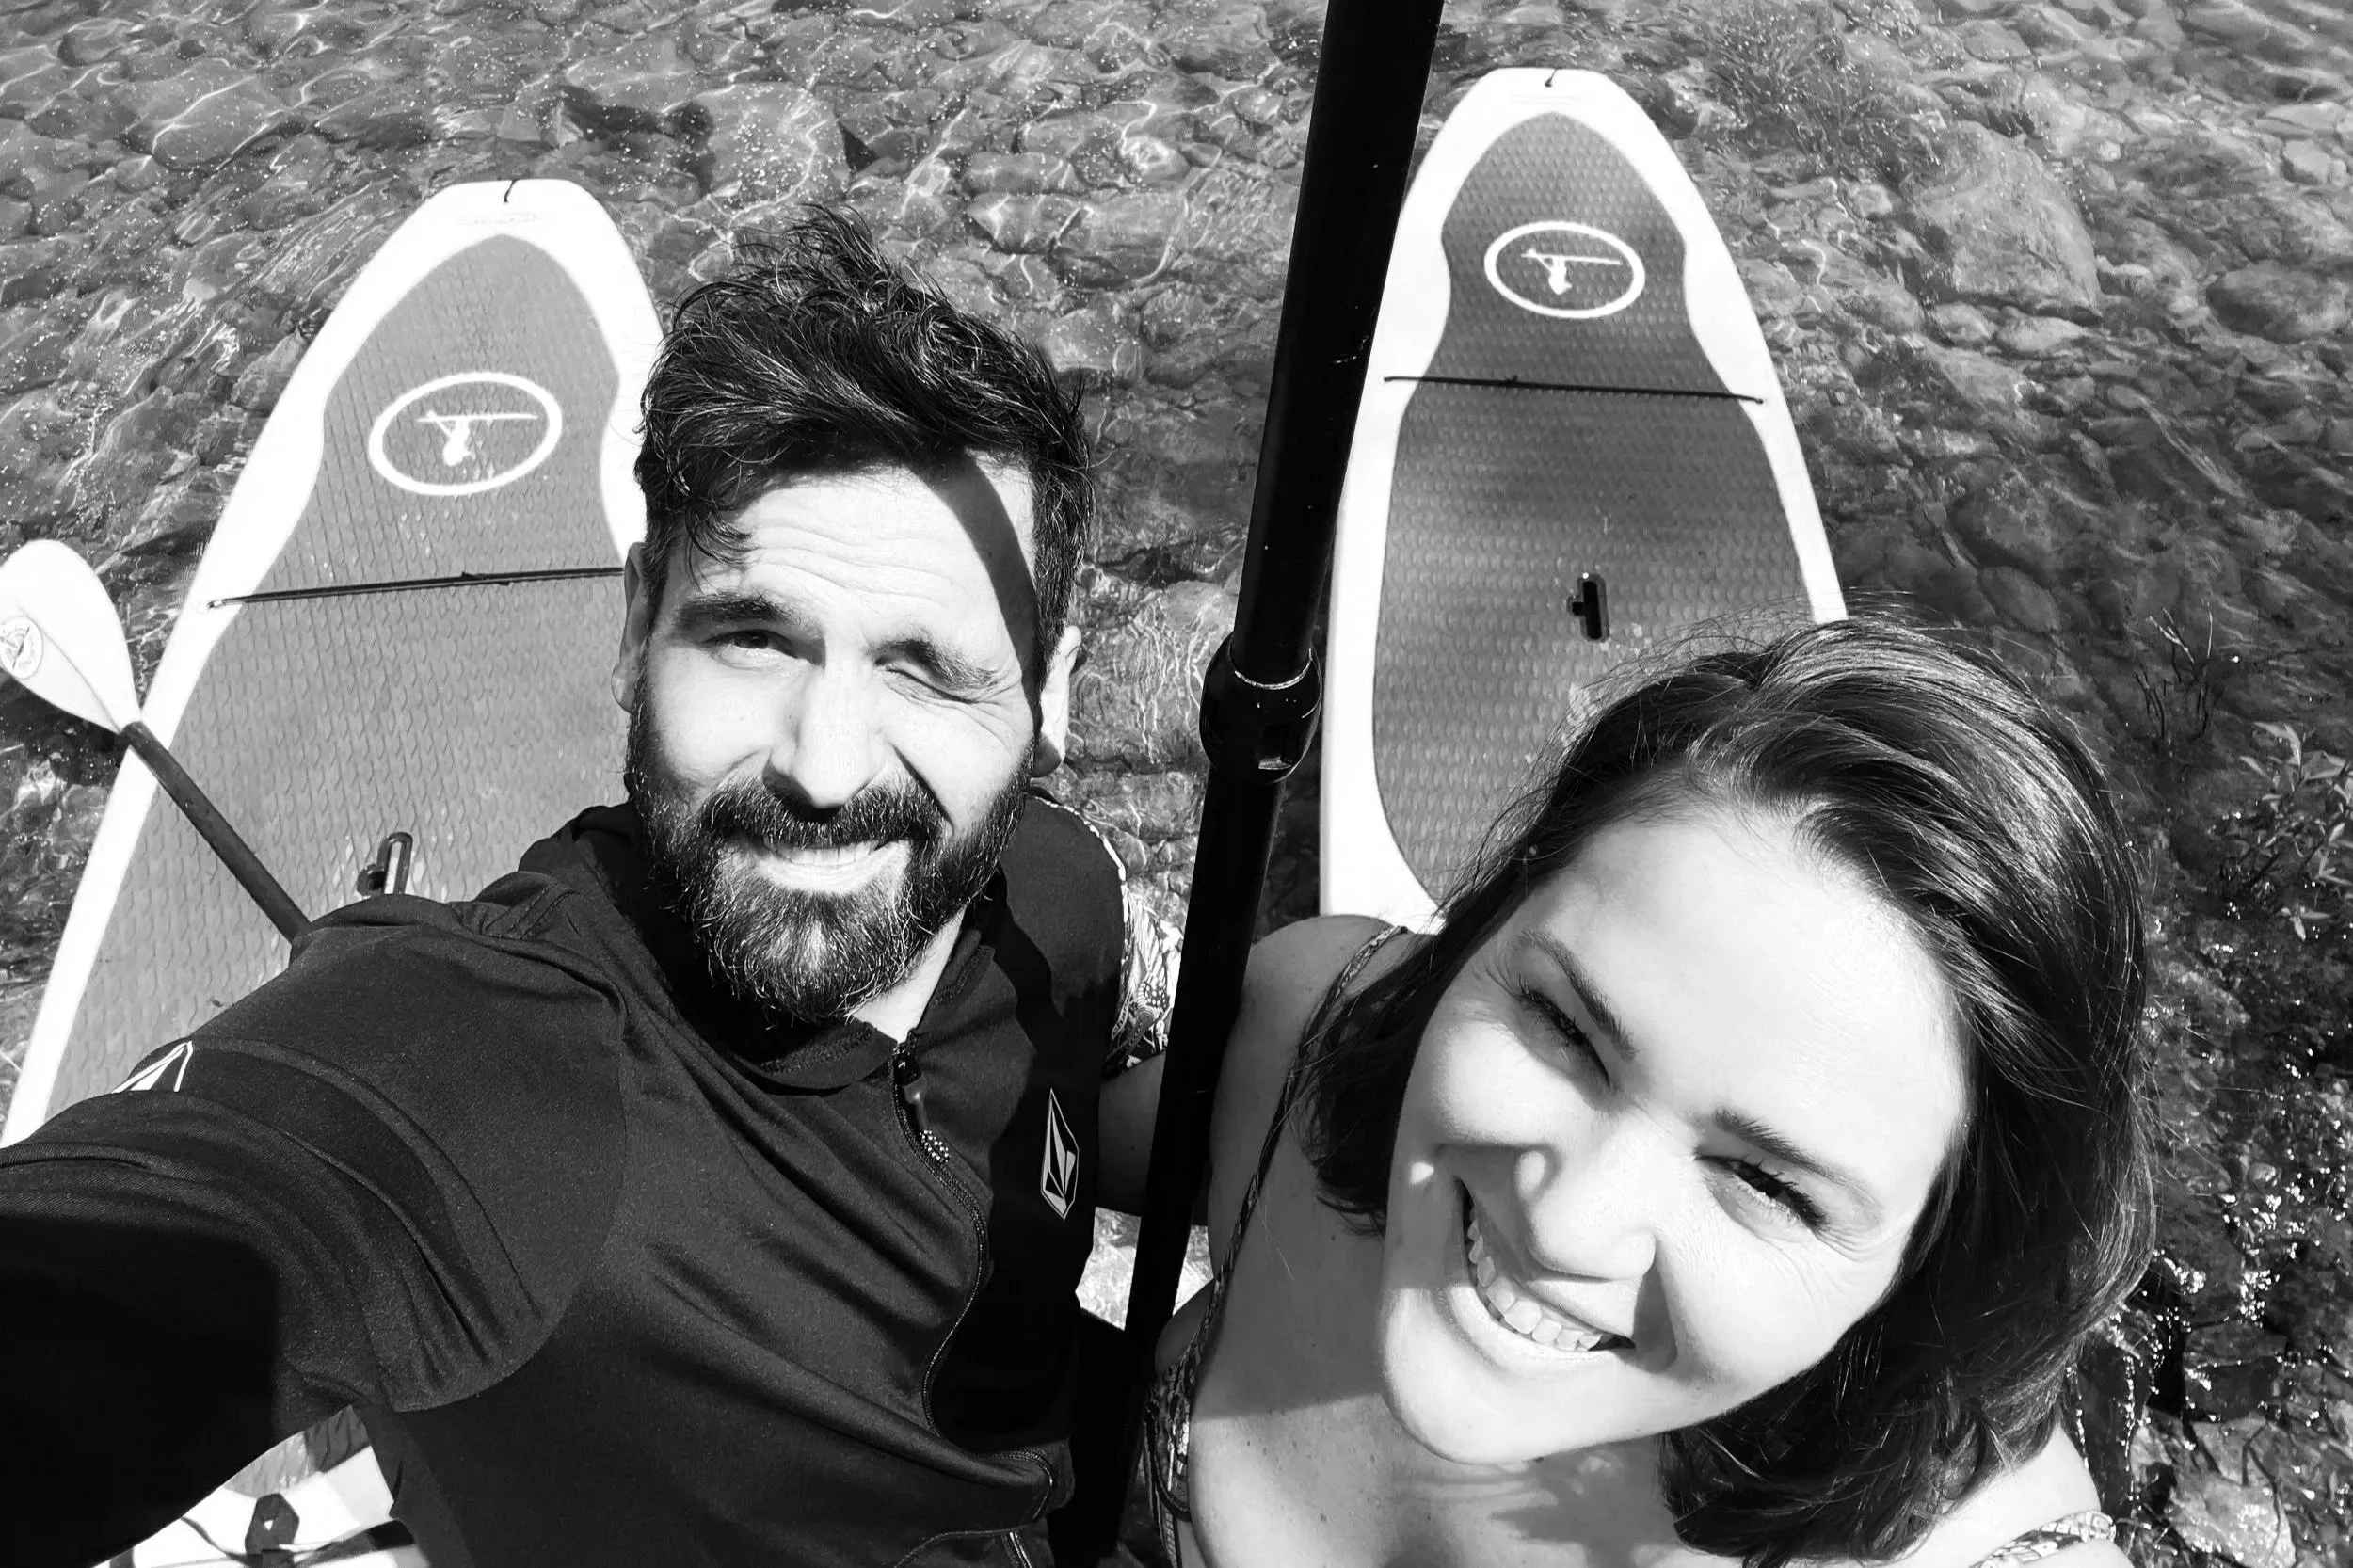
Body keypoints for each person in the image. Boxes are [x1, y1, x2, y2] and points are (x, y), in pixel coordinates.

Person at [0, 210, 1161, 1568]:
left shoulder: (1061, 890)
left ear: (1051, 686)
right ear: (635, 623)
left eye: (926, 669)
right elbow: (193, 1216)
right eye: (752, 636)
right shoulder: (491, 1076)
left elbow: (1067, 1106)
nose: (827, 767)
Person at [1134, 620, 2149, 1567]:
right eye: (1566, 1026)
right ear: (1493, 920)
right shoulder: (1306, 1037)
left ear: (1933, 1261)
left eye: (1767, 1183)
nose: (1565, 1225)